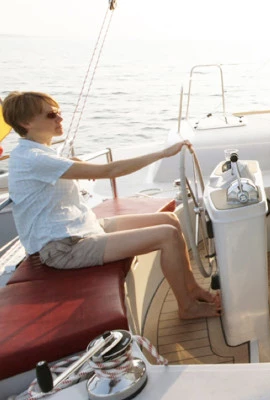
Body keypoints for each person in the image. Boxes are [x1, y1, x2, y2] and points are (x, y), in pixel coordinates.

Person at [2, 91, 220, 320]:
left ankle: (192, 289)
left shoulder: (35, 153)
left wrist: (75, 164)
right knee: (166, 235)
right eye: (51, 114)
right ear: (26, 123)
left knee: (170, 220)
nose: (60, 119)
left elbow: (56, 169)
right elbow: (110, 171)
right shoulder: (35, 158)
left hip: (81, 229)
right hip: (64, 247)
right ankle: (187, 307)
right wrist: (163, 154)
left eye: (59, 112)